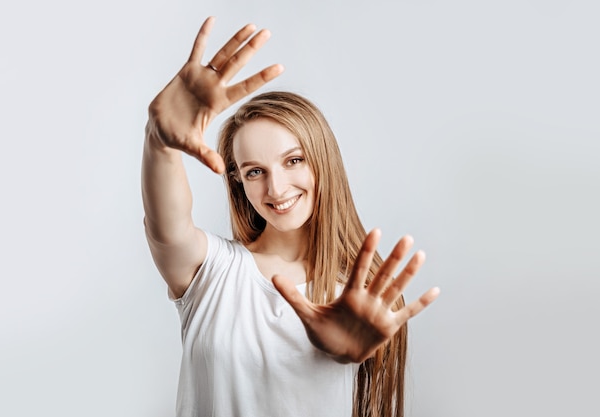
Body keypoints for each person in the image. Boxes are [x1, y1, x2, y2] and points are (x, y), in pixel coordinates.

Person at [141, 16, 440, 417]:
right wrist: (158, 141)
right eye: (254, 171)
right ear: (238, 182)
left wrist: (351, 354)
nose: (277, 189)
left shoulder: (358, 295)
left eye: (293, 161)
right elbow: (167, 225)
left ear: (322, 162)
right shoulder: (210, 272)